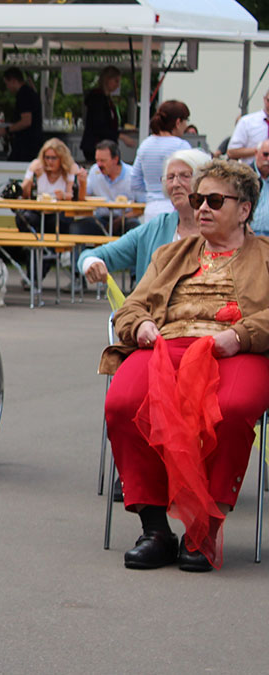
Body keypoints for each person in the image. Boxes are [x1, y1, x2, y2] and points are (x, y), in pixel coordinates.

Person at [102, 159, 269, 573]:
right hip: (166, 343)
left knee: (230, 411)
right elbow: (134, 304)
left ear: (245, 209)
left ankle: (203, 528)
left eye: (214, 200)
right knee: (123, 403)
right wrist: (138, 323)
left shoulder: (265, 257)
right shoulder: (170, 254)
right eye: (198, 200)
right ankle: (155, 529)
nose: (202, 208)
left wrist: (240, 336)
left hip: (234, 349)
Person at [80, 148, 212, 286]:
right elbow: (94, 255)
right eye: (170, 177)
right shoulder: (155, 229)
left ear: (204, 181)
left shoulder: (221, 231)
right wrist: (91, 262)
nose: (175, 184)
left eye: (185, 176)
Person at [131, 100, 192, 220]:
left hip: (151, 208)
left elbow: (135, 181)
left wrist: (150, 194)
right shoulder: (181, 146)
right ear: (178, 122)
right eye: (186, 121)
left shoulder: (145, 145)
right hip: (174, 206)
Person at [79, 139, 138, 236]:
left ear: (115, 159)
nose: (99, 165)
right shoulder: (95, 171)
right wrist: (82, 184)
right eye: (97, 160)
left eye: (103, 161)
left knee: (134, 226)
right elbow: (83, 200)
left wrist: (120, 220)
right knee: (78, 227)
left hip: (125, 218)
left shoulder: (132, 175)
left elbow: (140, 207)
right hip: (101, 218)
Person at [80, 66, 135, 161]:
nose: (117, 85)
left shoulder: (106, 99)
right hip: (96, 145)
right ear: (107, 80)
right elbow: (100, 125)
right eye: (116, 81)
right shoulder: (98, 99)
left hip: (104, 144)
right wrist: (121, 136)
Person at [0, 67, 44, 162]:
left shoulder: (24, 94)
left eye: (7, 83)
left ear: (13, 81)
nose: (7, 87)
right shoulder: (30, 92)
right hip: (32, 144)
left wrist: (6, 130)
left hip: (26, 145)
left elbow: (26, 121)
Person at [224, 90, 269, 166]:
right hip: (252, 173)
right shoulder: (247, 122)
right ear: (264, 99)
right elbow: (231, 152)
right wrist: (259, 150)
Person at [249, 140, 269, 235]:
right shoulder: (245, 177)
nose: (268, 159)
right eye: (265, 154)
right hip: (249, 236)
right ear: (256, 153)